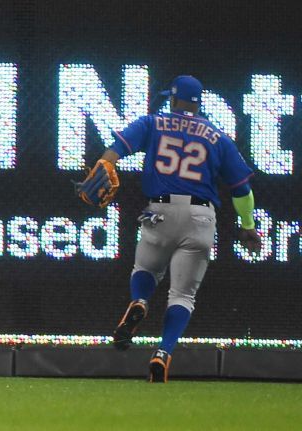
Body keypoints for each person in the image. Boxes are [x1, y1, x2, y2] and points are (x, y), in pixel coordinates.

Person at [77, 75, 261, 382]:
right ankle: (163, 353)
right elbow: (242, 190)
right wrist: (248, 226)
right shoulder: (218, 137)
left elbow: (115, 151)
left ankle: (140, 301)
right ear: (197, 103)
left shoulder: (153, 122)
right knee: (182, 296)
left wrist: (104, 164)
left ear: (173, 99)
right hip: (200, 217)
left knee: (146, 270)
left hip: (159, 210)